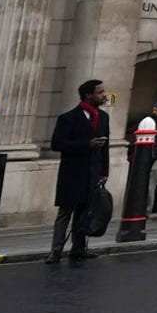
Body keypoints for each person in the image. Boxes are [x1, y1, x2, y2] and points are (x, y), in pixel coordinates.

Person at [48, 79, 112, 263]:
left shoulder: (103, 117)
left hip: (93, 172)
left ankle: (79, 248)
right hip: (72, 172)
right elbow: (57, 144)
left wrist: (104, 171)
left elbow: (105, 147)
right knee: (65, 213)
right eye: (100, 92)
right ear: (88, 95)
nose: (104, 95)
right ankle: (55, 250)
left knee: (85, 212)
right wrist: (87, 144)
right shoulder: (68, 118)